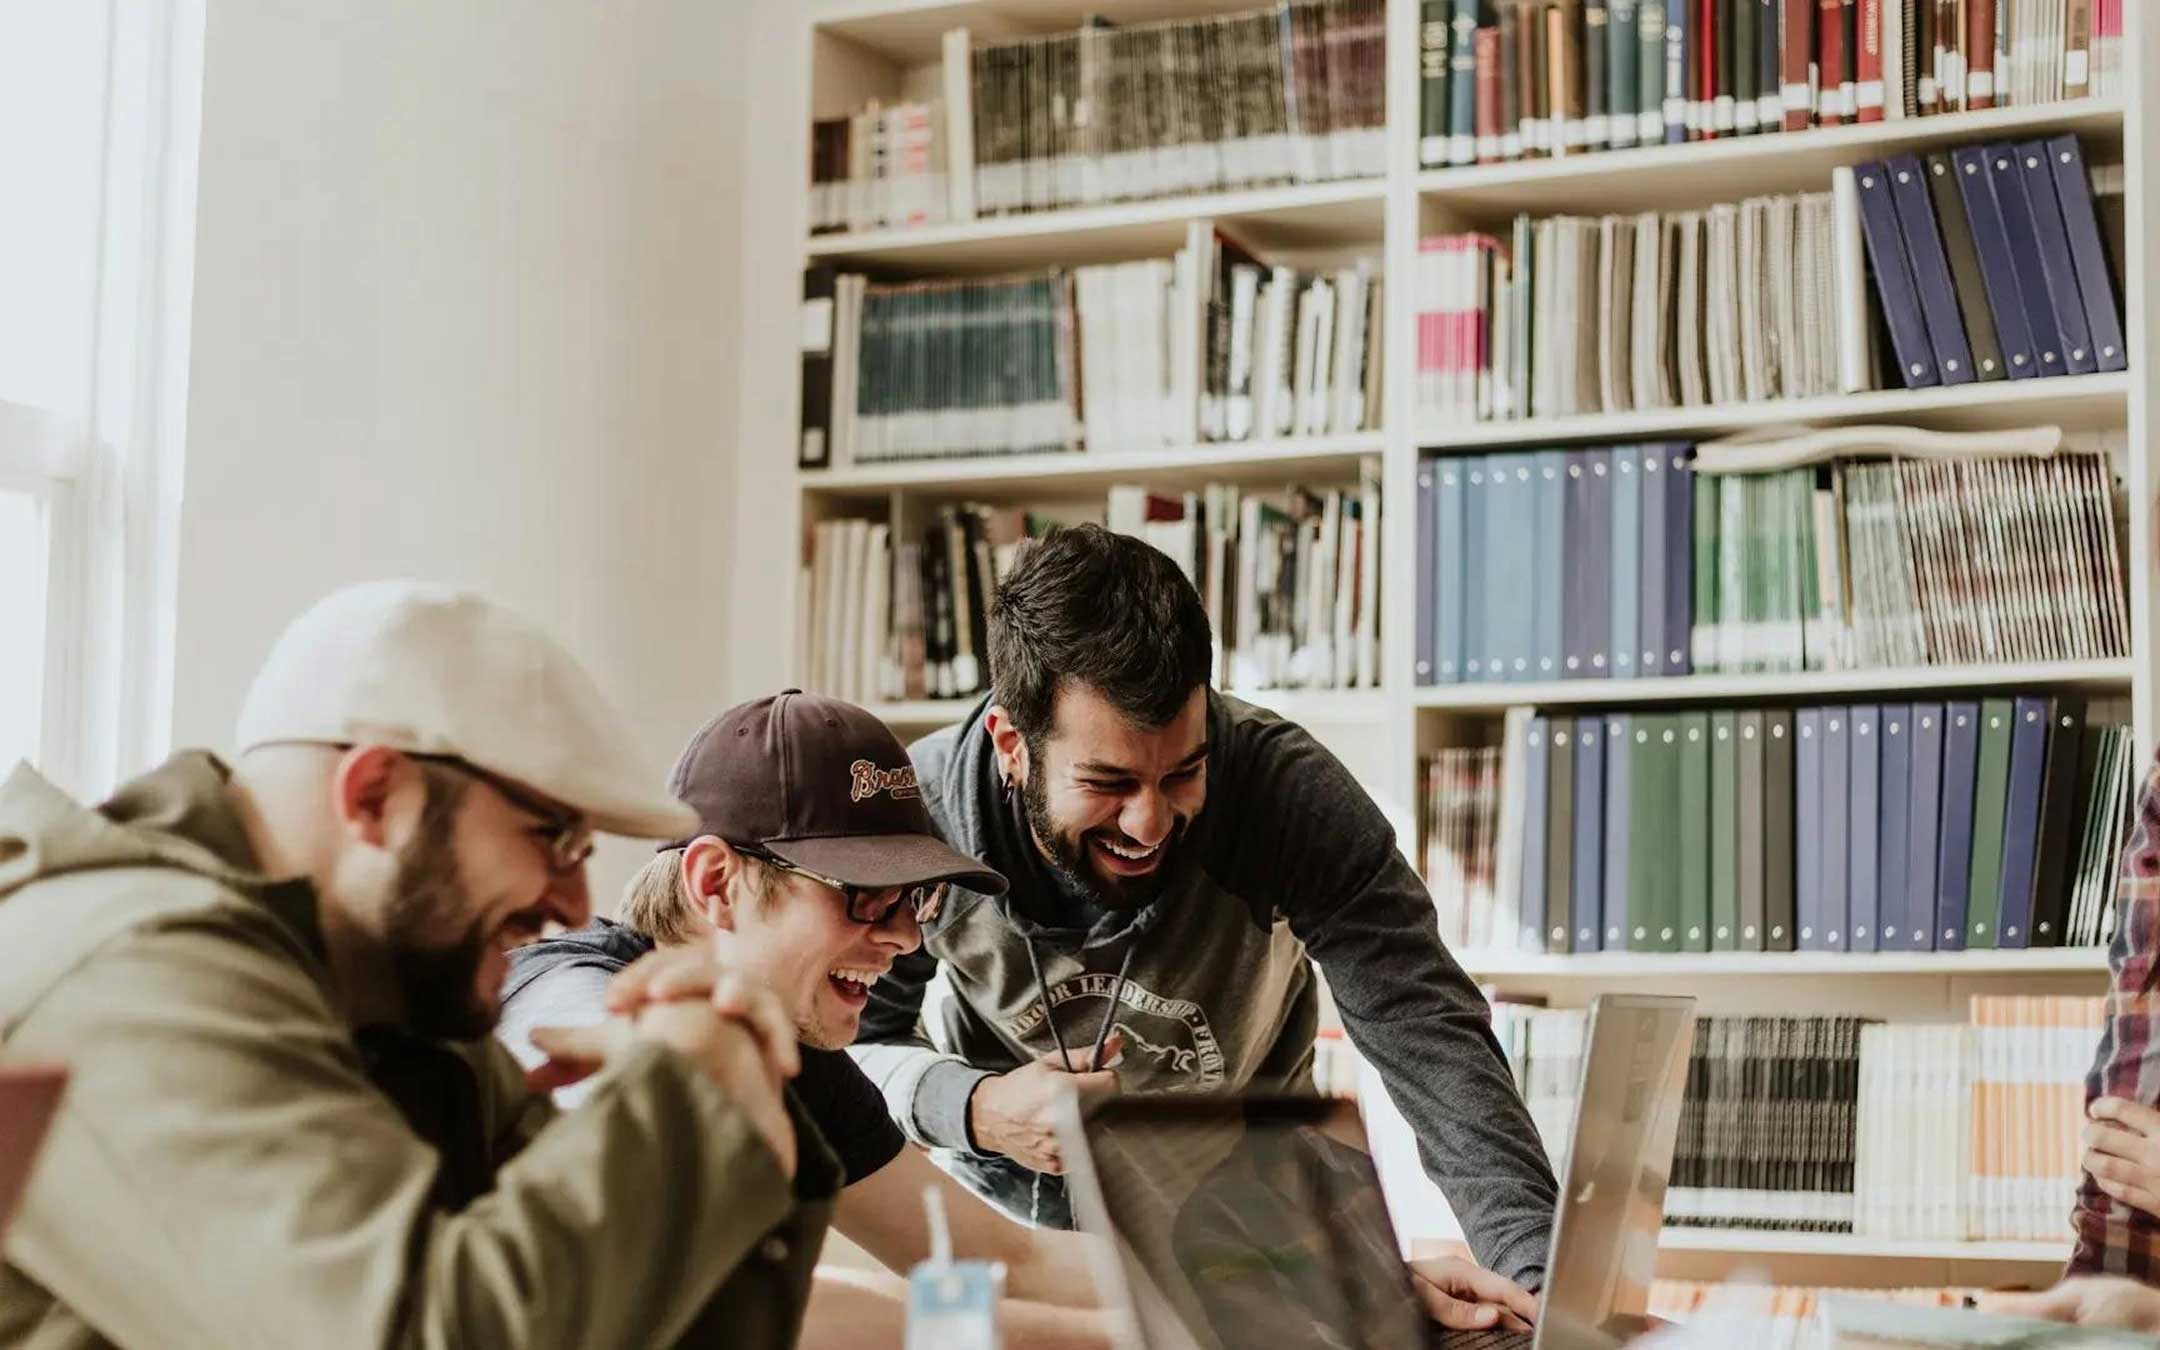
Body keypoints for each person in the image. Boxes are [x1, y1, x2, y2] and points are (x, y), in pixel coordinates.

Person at [0, 581, 834, 1349]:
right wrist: (690, 1095)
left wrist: (739, 1093)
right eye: (554, 838)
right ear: (374, 796)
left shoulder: (395, 995)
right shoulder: (134, 977)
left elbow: (635, 1323)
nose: (576, 905)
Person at [850, 523, 1559, 1324]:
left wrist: (1544, 1289)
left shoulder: (1285, 793)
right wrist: (974, 1107)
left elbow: (1428, 1029)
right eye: (1107, 783)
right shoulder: (922, 817)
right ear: (1012, 744)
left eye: (1183, 772)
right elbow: (852, 1048)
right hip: (1017, 1254)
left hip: (1253, 1234)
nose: (1150, 823)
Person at [497, 690, 1112, 1349]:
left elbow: (1008, 1261)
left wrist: (1216, 1278)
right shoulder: (566, 992)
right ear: (715, 882)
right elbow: (734, 1308)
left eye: (917, 897)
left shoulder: (789, 1049)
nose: (906, 938)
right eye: (868, 896)